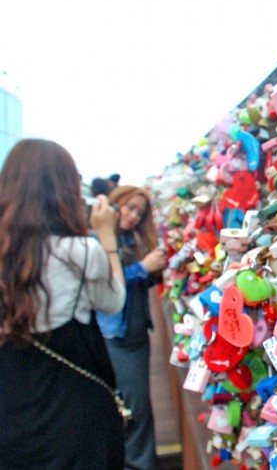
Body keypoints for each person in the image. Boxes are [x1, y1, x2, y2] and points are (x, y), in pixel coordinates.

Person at [0, 139, 126, 469]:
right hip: (78, 419)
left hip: (11, 421)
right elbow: (113, 302)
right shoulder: (79, 253)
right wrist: (108, 240)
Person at [97, 185, 167, 470]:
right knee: (136, 409)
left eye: (140, 212)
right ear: (115, 205)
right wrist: (142, 267)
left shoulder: (129, 239)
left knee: (137, 406)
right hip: (118, 338)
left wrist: (157, 268)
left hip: (136, 335)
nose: (134, 216)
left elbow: (141, 284)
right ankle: (140, 464)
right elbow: (107, 285)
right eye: (130, 207)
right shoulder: (102, 242)